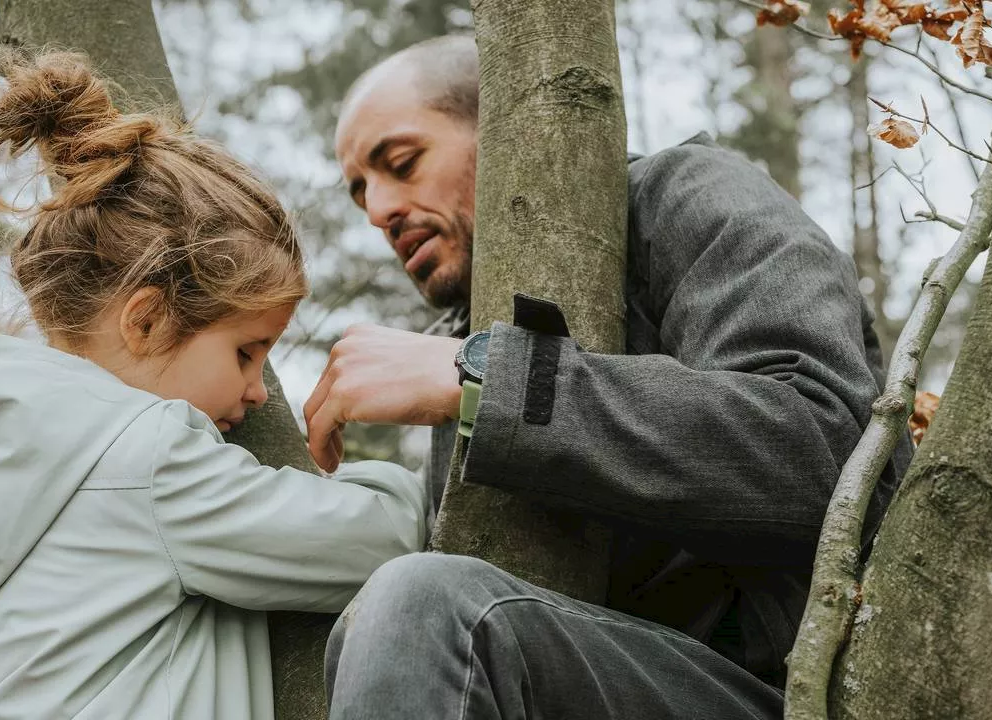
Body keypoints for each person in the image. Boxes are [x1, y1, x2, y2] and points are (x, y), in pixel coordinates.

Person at [306, 35, 914, 718]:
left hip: (792, 695)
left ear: (507, 129)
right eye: (361, 191)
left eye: (402, 163)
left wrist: (486, 381)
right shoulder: (459, 351)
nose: (379, 210)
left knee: (421, 604)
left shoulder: (688, 192)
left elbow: (818, 449)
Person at [0, 49, 428, 720]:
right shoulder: (145, 463)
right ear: (145, 320)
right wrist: (381, 478)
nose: (257, 391)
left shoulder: (25, 464)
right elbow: (387, 538)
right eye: (246, 352)